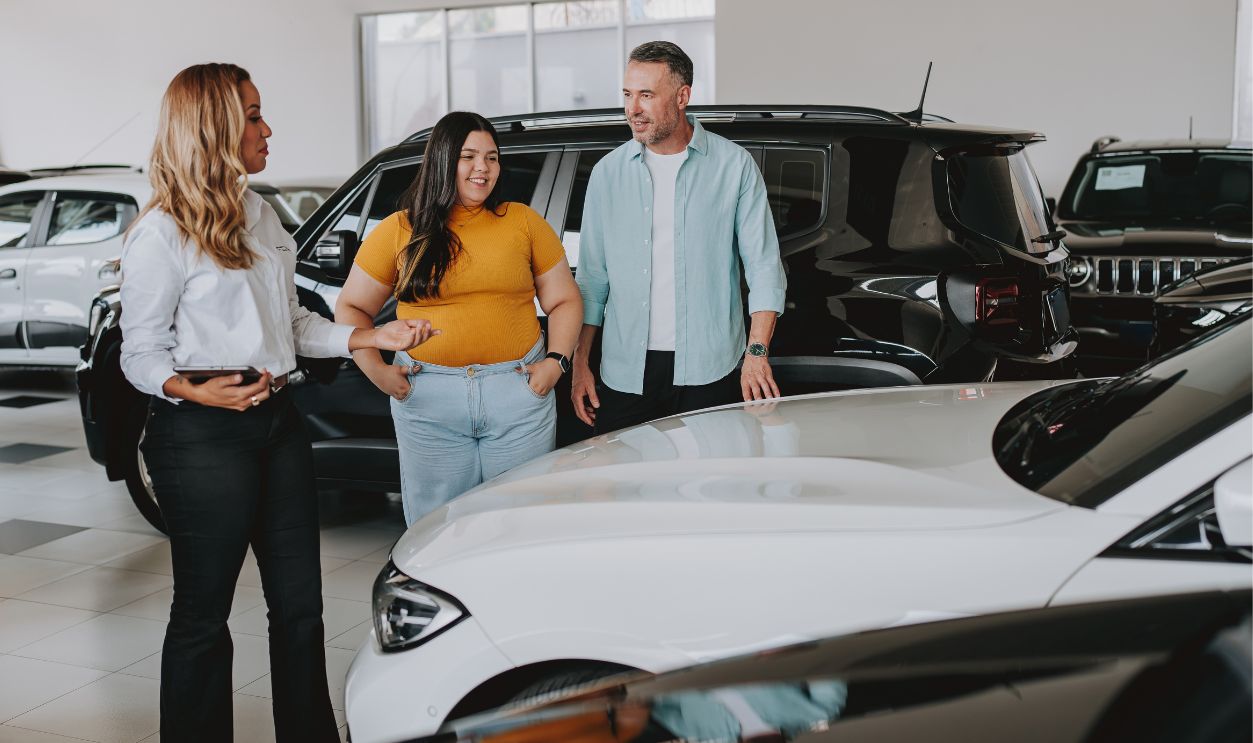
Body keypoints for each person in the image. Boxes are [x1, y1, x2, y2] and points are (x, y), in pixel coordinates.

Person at [119, 63, 434, 743]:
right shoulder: (162, 232)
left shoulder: (261, 214)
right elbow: (138, 353)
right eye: (254, 115)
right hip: (200, 434)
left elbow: (291, 328)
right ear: (215, 128)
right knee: (204, 615)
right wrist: (191, 387)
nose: (267, 128)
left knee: (300, 608)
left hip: (277, 424)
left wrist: (367, 333)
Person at [336, 111, 582, 526]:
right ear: (443, 160)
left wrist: (555, 365)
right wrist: (376, 372)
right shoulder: (400, 229)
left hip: (518, 395)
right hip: (429, 397)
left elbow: (565, 301)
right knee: (437, 530)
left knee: (522, 525)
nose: (482, 169)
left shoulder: (521, 222)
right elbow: (351, 308)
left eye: (491, 157)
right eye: (468, 156)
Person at [571, 41, 787, 435]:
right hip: (625, 374)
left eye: (646, 95)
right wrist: (580, 364)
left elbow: (764, 268)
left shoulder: (733, 166)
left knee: (711, 488)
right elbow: (591, 281)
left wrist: (756, 353)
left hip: (712, 369)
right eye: (627, 94)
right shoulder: (607, 174)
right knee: (630, 490)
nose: (632, 109)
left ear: (683, 96)